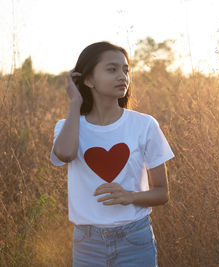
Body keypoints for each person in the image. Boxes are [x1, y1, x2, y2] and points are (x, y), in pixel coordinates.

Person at [49, 41, 174, 267]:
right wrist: (75, 102)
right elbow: (65, 153)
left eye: (126, 70)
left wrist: (131, 196)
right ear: (88, 80)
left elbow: (162, 193)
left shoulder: (144, 125)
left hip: (135, 239)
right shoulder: (68, 126)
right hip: (87, 243)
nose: (122, 76)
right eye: (112, 69)